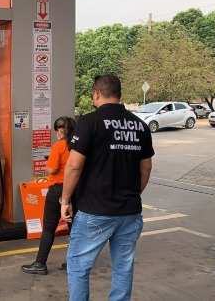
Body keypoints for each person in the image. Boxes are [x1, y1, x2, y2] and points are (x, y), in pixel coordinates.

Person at [60, 75, 154, 301]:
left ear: (96, 94)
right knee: (123, 266)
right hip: (130, 212)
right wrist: (134, 194)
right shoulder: (139, 125)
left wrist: (65, 200)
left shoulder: (89, 122)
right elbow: (146, 168)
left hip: (95, 210)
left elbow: (73, 166)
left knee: (78, 265)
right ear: (119, 94)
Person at [21, 116, 76, 275]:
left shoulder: (59, 146)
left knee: (49, 228)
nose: (58, 133)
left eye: (60, 129)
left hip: (58, 189)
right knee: (74, 228)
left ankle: (40, 263)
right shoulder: (78, 145)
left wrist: (48, 164)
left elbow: (51, 169)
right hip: (74, 189)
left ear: (64, 130)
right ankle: (73, 262)